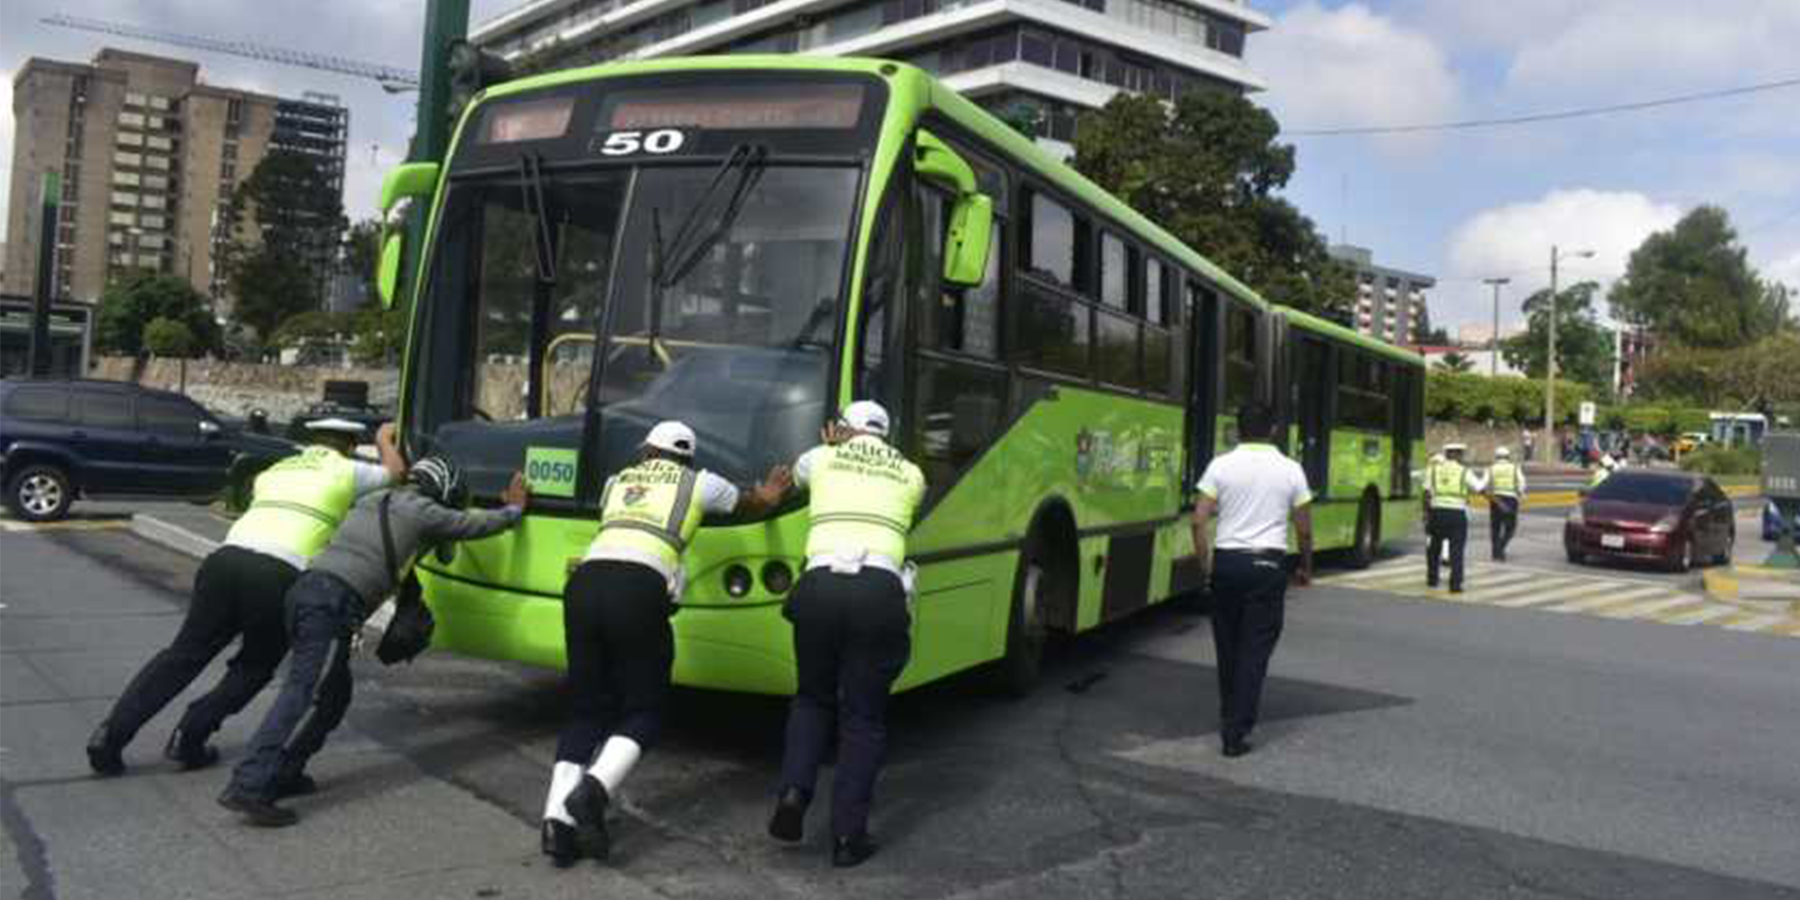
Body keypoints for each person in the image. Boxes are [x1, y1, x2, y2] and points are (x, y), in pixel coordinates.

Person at [218, 457, 528, 827]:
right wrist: (513, 509)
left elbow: (436, 546)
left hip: (304, 593)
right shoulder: (421, 510)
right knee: (303, 693)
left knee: (333, 697)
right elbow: (473, 525)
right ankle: (249, 784)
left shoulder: (374, 500)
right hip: (333, 603)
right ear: (445, 490)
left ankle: (286, 771)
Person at [86, 419, 404, 777]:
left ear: (311, 441)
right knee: (255, 664)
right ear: (347, 445)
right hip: (279, 572)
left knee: (182, 656)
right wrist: (383, 438)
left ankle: (110, 735)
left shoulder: (275, 470)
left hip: (224, 561)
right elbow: (396, 472)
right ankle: (190, 736)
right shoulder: (348, 470)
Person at [541, 422, 790, 866]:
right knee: (645, 709)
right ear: (687, 458)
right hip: (637, 588)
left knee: (586, 708)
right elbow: (752, 503)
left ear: (646, 451)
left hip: (584, 583)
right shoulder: (699, 482)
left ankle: (556, 825)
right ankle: (593, 792)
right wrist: (771, 491)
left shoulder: (615, 482)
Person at [767, 400, 925, 868]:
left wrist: (830, 446)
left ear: (842, 429)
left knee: (812, 698)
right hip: (878, 590)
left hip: (818, 587)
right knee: (863, 718)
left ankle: (795, 793)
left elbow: (794, 479)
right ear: (885, 433)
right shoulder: (911, 473)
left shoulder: (821, 458)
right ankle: (847, 837)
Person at [1192, 402, 1313, 759]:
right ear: (1273, 429)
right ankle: (1236, 730)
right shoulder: (1291, 469)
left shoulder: (1220, 465)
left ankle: (1229, 715)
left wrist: (1206, 567)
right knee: (1254, 651)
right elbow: (1303, 528)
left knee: (1227, 648)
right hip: (1267, 566)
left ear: (1238, 429)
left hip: (1227, 564)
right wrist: (1305, 566)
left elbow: (1198, 520)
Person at [1424, 443, 1482, 593]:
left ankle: (1432, 579)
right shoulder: (1464, 471)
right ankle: (1455, 584)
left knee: (1433, 548)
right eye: (1461, 454)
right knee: (1456, 550)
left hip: (1437, 512)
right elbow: (1479, 487)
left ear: (1447, 453)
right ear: (1458, 454)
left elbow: (1426, 493)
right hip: (1456, 514)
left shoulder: (1433, 470)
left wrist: (1427, 513)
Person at [1486, 446, 1526, 562]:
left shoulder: (1491, 468)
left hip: (1495, 499)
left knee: (1495, 527)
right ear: (1508, 457)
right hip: (1510, 499)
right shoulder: (1514, 468)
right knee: (1510, 527)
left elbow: (1483, 484)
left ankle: (1495, 553)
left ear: (1496, 456)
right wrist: (1520, 493)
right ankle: (1500, 549)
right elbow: (1521, 482)